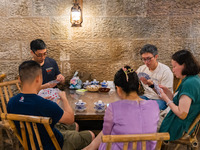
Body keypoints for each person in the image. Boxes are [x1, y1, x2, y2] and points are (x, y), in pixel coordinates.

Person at [7, 60, 95, 150]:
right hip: (53, 144)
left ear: (19, 79)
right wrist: (64, 99)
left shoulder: (11, 102)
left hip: (30, 144)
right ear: (39, 79)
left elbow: (28, 105)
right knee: (90, 134)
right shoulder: (45, 104)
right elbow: (70, 119)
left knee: (74, 126)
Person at [83, 66, 160, 150]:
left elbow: (106, 134)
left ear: (118, 89)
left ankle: (88, 148)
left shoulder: (114, 108)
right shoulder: (154, 105)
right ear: (138, 86)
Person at [159, 50, 200, 141]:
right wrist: (168, 92)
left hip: (176, 127)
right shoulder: (191, 79)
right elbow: (180, 101)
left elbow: (182, 114)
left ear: (184, 65)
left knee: (146, 124)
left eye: (174, 66)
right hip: (177, 122)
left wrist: (166, 99)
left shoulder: (189, 84)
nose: (173, 70)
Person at [136, 44, 174, 110]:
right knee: (129, 104)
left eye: (149, 59)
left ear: (156, 56)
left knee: (148, 109)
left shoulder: (165, 71)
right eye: (144, 59)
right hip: (146, 97)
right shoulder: (141, 69)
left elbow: (167, 95)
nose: (146, 62)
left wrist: (151, 85)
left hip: (160, 100)